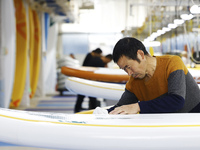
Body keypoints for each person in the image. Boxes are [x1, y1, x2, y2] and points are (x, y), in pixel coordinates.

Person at [95, 37, 200, 114]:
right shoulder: (134, 81)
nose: (129, 73)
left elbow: (177, 101)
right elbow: (121, 107)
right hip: (170, 123)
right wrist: (104, 113)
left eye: (129, 66)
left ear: (140, 55)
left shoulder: (172, 63)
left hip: (194, 120)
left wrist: (138, 107)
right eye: (124, 70)